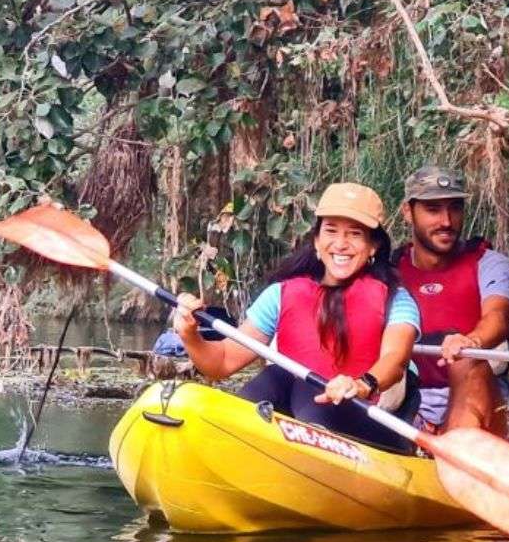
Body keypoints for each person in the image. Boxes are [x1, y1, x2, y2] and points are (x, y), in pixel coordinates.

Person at [172, 182, 421, 452]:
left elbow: (395, 361)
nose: (340, 244)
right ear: (316, 240)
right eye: (331, 231)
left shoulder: (397, 299)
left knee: (308, 384)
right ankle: (231, 443)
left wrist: (361, 384)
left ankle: (296, 454)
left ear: (373, 246)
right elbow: (221, 363)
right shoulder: (280, 295)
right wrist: (190, 335)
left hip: (373, 422)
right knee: (280, 376)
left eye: (355, 234)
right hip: (302, 419)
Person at [394, 166, 509, 436]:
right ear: (407, 212)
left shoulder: (489, 263)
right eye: (433, 209)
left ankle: (459, 446)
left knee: (466, 358)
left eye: (455, 208)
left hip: (480, 394)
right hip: (408, 403)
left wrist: (470, 341)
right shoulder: (389, 271)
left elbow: (500, 315)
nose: (447, 221)